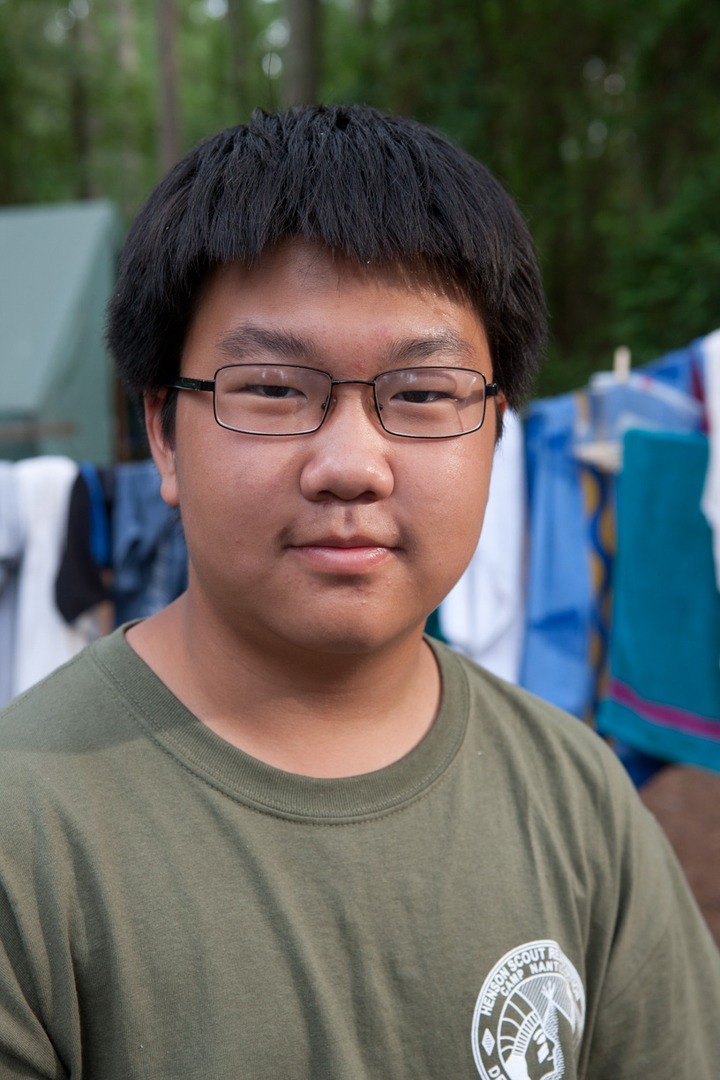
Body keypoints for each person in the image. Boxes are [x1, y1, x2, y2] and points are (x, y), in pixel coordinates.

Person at [1, 104, 719, 1080]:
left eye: (422, 396)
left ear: (496, 433)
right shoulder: (26, 830)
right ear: (165, 432)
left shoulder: (580, 799)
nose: (352, 466)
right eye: (274, 389)